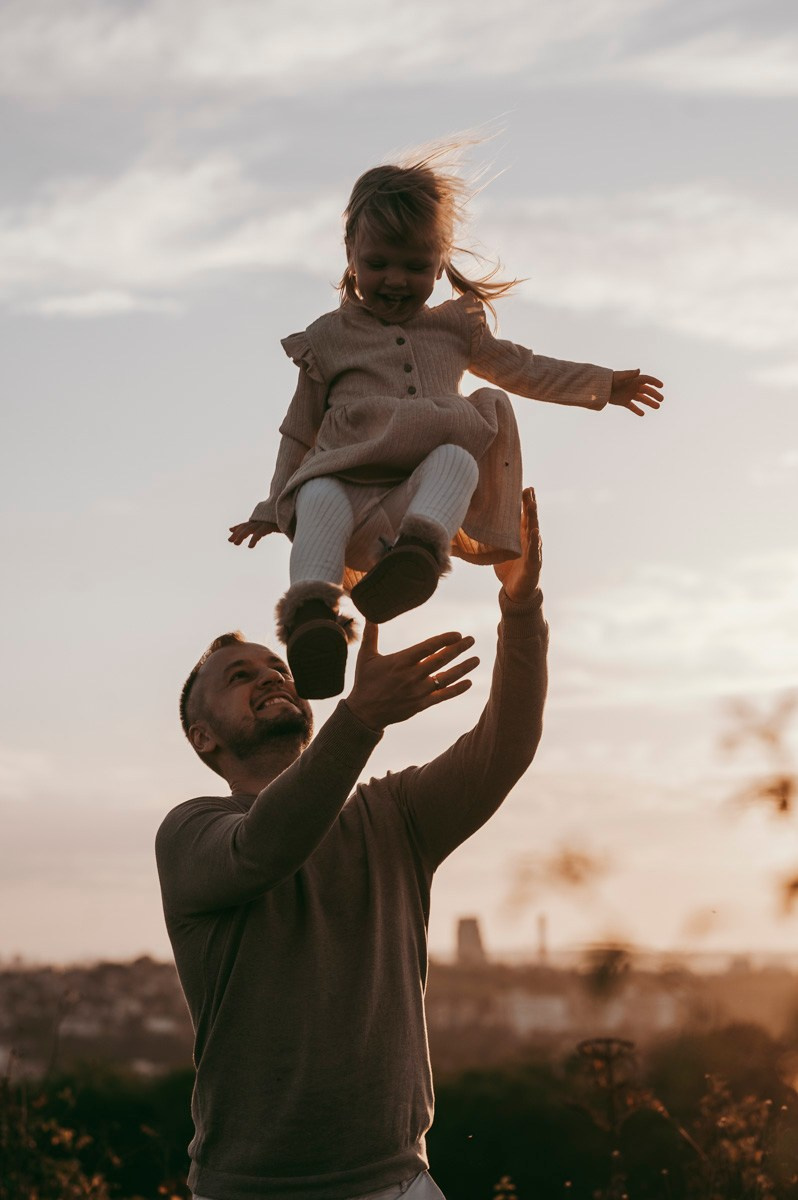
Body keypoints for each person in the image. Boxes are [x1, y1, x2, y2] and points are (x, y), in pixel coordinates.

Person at [157, 488, 548, 1200]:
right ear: (203, 738)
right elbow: (267, 847)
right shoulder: (190, 832)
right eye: (239, 677)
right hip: (253, 1190)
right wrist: (361, 719)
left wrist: (521, 607)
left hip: (400, 1184)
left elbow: (506, 745)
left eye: (275, 668)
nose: (270, 676)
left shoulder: (391, 813)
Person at [229, 148, 663, 699]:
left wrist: (601, 384)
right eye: (378, 263)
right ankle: (315, 620)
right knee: (316, 493)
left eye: (415, 266)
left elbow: (522, 368)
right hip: (343, 498)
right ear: (351, 254)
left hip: (403, 515)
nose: (395, 279)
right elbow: (299, 430)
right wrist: (270, 507)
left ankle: (416, 557)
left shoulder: (457, 329)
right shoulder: (328, 337)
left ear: (439, 262)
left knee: (457, 456)